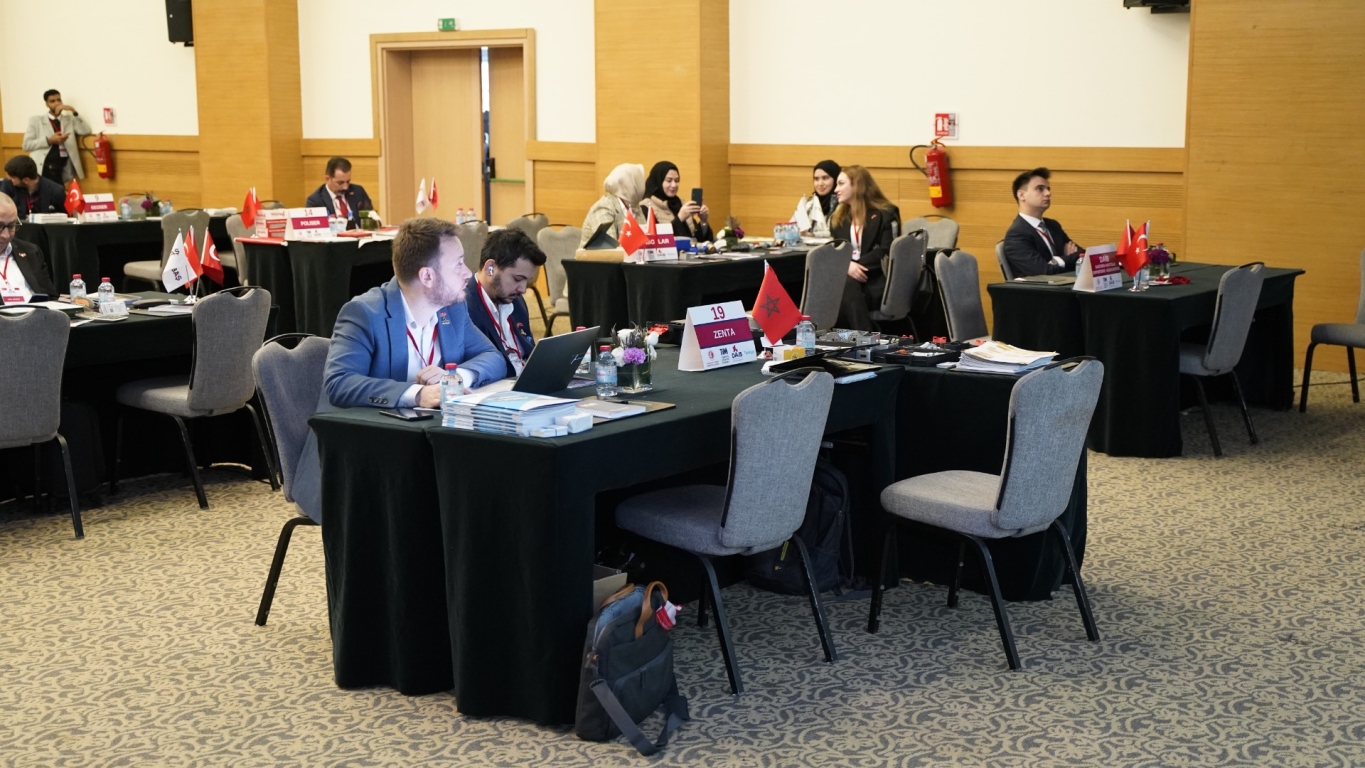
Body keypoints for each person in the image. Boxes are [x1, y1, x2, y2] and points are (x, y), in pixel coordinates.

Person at [290, 217, 505, 522]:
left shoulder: (452, 309)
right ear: (427, 276)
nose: (468, 272)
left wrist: (453, 378)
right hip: (360, 463)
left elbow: (492, 356)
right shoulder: (365, 313)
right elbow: (339, 383)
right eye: (458, 264)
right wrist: (418, 394)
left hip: (426, 449)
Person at [466, 228, 547, 379]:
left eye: (526, 280)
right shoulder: (463, 306)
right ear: (490, 268)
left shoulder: (516, 300)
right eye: (517, 279)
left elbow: (528, 348)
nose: (523, 289)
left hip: (527, 380)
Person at [828, 165, 900, 330]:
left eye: (841, 184)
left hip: (876, 279)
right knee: (838, 287)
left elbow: (887, 250)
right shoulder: (838, 220)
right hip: (849, 279)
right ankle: (861, 337)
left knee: (843, 288)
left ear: (856, 185)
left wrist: (854, 266)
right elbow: (836, 251)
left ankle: (861, 337)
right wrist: (846, 266)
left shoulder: (886, 214)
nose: (836, 190)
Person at [1002, 167, 1082, 277]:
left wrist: (1058, 261)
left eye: (1048, 189)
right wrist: (1066, 260)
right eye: (1040, 189)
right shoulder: (1016, 235)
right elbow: (1044, 272)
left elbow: (1082, 256)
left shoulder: (1053, 225)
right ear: (1021, 195)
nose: (1048, 193)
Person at [22, 90, 91, 184]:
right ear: (47, 104)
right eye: (52, 101)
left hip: (62, 166)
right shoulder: (36, 121)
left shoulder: (69, 119)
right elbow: (26, 145)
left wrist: (73, 111)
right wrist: (49, 140)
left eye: (59, 100)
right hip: (44, 166)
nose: (57, 103)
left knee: (59, 190)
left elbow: (85, 131)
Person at [0, 196, 59, 303]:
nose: (6, 235)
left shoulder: (31, 252)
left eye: (11, 226)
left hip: (37, 312)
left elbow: (51, 297)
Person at [639, 161, 713, 242]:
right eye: (669, 181)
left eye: (677, 180)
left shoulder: (681, 204)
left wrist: (703, 221)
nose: (674, 185)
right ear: (659, 181)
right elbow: (656, 241)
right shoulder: (646, 207)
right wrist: (679, 218)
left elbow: (696, 241)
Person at [579, 163, 646, 247]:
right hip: (598, 255)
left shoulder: (636, 207)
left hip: (627, 255)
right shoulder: (604, 207)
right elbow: (610, 247)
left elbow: (645, 242)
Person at [304, 157, 375, 228]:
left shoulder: (358, 191)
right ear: (327, 179)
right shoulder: (315, 201)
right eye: (340, 183)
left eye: (348, 182)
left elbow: (373, 219)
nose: (345, 187)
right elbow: (315, 230)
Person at [2, 156, 67, 219]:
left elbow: (65, 218)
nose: (9, 178)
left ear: (26, 180)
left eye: (13, 177)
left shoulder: (55, 191)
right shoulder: (8, 185)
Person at [792, 160, 840, 238]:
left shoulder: (843, 205)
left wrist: (814, 235)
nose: (820, 183)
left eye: (825, 178)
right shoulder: (810, 204)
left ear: (836, 179)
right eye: (816, 179)